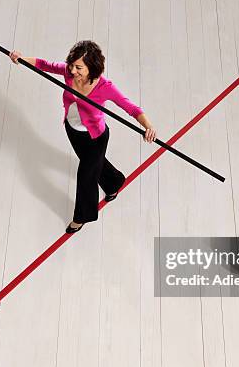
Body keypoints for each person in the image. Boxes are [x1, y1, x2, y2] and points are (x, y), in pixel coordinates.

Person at [9, 40, 156, 233]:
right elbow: (44, 65)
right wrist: (21, 59)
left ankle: (82, 216)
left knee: (86, 175)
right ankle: (114, 183)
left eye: (79, 67)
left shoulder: (105, 87)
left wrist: (148, 126)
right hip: (73, 130)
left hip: (96, 138)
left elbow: (131, 108)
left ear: (92, 67)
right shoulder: (68, 73)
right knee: (95, 164)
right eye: (72, 65)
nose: (73, 70)